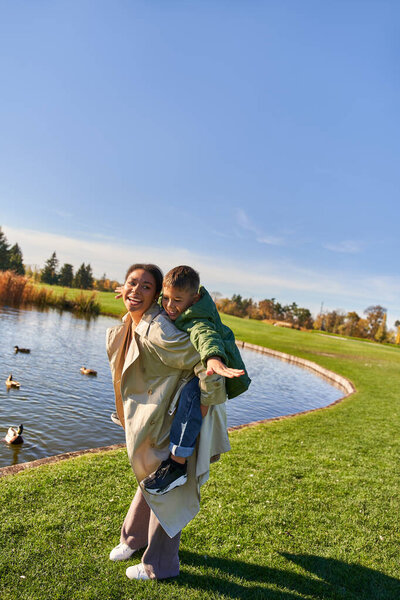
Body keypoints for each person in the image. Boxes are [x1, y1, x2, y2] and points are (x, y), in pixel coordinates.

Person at [106, 263, 230, 581]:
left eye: (146, 286)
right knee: (151, 477)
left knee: (168, 490)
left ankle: (160, 565)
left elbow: (206, 367)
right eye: (131, 283)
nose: (135, 290)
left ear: (156, 294)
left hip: (176, 421)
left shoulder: (160, 328)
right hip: (153, 417)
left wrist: (193, 427)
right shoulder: (133, 321)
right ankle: (134, 538)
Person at [141, 265, 251, 496]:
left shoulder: (198, 318)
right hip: (208, 361)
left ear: (194, 298)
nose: (170, 306)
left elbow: (205, 336)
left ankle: (177, 464)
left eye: (177, 301)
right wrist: (131, 292)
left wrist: (213, 359)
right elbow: (155, 300)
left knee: (193, 396)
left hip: (219, 364)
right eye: (167, 298)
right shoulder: (173, 303)